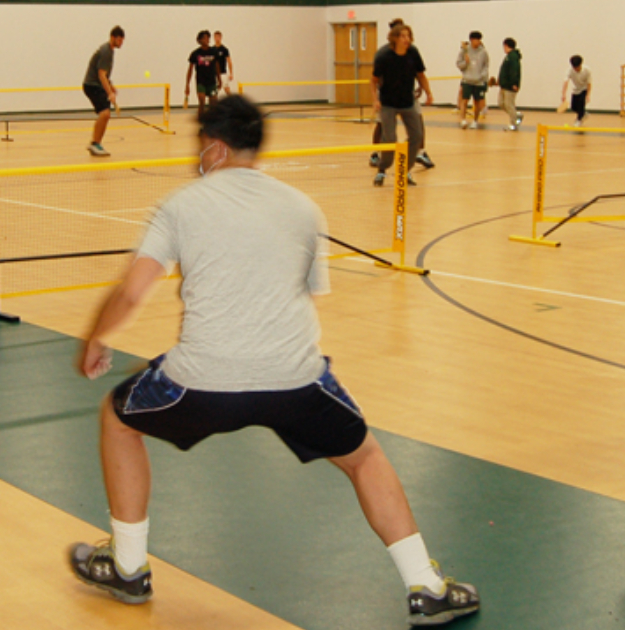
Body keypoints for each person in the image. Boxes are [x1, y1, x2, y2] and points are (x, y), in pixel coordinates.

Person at [67, 95, 479, 626]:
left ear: (214, 146)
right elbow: (302, 293)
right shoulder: (304, 208)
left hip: (199, 381)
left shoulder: (180, 205)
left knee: (118, 419)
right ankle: (426, 586)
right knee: (365, 458)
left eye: (199, 143)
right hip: (297, 380)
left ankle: (127, 567)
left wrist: (96, 338)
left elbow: (131, 291)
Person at [368, 19, 434, 171]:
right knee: (388, 135)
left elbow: (420, 74)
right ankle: (381, 163)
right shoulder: (383, 55)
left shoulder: (413, 52)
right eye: (403, 36)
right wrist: (375, 100)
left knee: (417, 133)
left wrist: (428, 92)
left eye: (408, 36)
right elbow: (373, 80)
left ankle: (407, 167)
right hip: (387, 101)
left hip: (407, 100)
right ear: (394, 37)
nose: (407, 39)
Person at [83, 26, 124, 157]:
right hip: (92, 85)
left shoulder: (109, 51)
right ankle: (95, 144)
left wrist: (111, 86)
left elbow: (104, 75)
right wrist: (110, 93)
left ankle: (96, 143)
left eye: (122, 40)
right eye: (119, 39)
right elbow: (101, 74)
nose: (121, 42)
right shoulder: (106, 51)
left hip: (96, 85)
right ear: (113, 38)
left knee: (106, 114)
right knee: (105, 114)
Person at [455, 31, 489, 129]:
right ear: (471, 40)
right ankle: (463, 120)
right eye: (476, 40)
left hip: (478, 81)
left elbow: (486, 66)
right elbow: (458, 64)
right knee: (464, 100)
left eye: (479, 40)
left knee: (477, 102)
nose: (478, 42)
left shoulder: (483, 52)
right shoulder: (464, 51)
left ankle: (475, 121)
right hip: (467, 80)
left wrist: (482, 76)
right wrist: (465, 63)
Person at [185, 30, 221, 117]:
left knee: (213, 104)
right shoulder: (195, 54)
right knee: (202, 101)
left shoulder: (213, 52)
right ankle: (201, 123)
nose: (206, 40)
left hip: (212, 81)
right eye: (204, 38)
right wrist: (187, 84)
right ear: (200, 40)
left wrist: (219, 79)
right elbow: (190, 69)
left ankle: (212, 124)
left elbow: (217, 66)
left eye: (208, 38)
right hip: (201, 81)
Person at [490, 38, 522, 131]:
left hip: (510, 86)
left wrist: (514, 83)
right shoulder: (508, 57)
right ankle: (517, 115)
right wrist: (499, 81)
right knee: (501, 103)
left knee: (509, 105)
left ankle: (513, 124)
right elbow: (504, 71)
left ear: (506, 45)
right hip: (504, 85)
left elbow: (514, 71)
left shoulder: (513, 57)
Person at [560, 55, 590, 127]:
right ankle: (583, 113)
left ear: (580, 64)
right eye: (574, 67)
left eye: (577, 67)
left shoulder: (587, 70)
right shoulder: (569, 71)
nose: (576, 69)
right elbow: (566, 82)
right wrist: (563, 94)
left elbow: (589, 83)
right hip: (576, 89)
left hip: (584, 89)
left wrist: (588, 94)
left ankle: (578, 120)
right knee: (573, 107)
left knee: (580, 105)